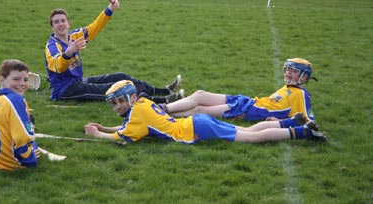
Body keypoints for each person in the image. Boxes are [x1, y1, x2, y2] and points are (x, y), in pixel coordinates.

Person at [84, 80, 327, 144]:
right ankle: (290, 124)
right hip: (196, 123)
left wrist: (99, 135)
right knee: (248, 130)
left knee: (250, 137)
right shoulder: (142, 106)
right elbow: (128, 128)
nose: (117, 107)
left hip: (196, 129)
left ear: (132, 98)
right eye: (114, 104)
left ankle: (302, 132)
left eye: (120, 102)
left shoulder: (136, 115)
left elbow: (123, 136)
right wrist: (104, 127)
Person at [44, 0, 183, 103]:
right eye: (56, 22)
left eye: (63, 21)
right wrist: (68, 53)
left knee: (121, 76)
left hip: (79, 81)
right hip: (65, 90)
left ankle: (162, 90)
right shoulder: (51, 46)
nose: (60, 24)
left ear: (68, 23)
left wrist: (110, 8)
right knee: (118, 88)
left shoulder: (74, 36)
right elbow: (58, 67)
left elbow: (95, 27)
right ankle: (163, 100)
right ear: (52, 27)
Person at [158, 58, 317, 122]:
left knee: (199, 110)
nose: (288, 73)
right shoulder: (289, 87)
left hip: (252, 111)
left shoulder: (301, 95)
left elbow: (307, 121)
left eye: (293, 71)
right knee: (200, 94)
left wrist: (280, 122)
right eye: (287, 69)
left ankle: (160, 113)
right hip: (249, 102)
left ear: (303, 77)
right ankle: (163, 109)